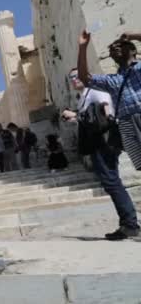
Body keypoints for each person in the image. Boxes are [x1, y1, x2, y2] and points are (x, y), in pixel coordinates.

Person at [62, 68, 139, 240]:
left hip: (104, 142)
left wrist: (76, 114)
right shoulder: (84, 96)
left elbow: (106, 110)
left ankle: (130, 224)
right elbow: (91, 118)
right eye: (71, 77)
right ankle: (128, 223)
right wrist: (76, 117)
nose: (74, 79)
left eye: (77, 76)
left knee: (111, 182)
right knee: (110, 181)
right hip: (97, 143)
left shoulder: (95, 90)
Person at [77, 31, 141, 171]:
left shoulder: (139, 68)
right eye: (112, 48)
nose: (115, 48)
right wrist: (82, 48)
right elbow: (84, 77)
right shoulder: (112, 80)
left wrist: (133, 36)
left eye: (120, 45)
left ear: (133, 50)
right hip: (127, 124)